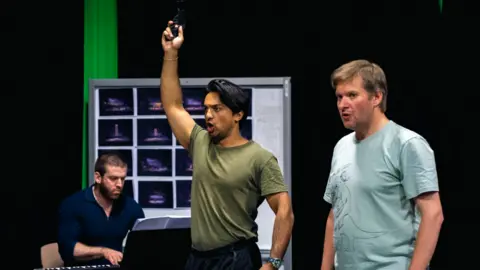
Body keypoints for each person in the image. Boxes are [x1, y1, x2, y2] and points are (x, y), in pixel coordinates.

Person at [160, 21, 294, 270]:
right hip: (197, 259)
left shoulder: (260, 158)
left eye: (217, 109)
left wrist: (273, 263)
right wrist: (171, 54)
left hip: (236, 258)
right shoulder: (200, 142)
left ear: (238, 115)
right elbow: (172, 105)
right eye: (206, 109)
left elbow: (285, 212)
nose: (208, 115)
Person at [321, 59, 444, 270]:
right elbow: (335, 214)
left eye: (352, 95)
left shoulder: (406, 144)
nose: (343, 104)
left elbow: (433, 214)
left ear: (376, 97)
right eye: (339, 97)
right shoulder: (342, 147)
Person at [57, 153, 145, 266]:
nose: (119, 184)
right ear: (98, 177)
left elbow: (143, 243)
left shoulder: (130, 206)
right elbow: (67, 248)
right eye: (113, 179)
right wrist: (103, 252)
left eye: (122, 179)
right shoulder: (73, 204)